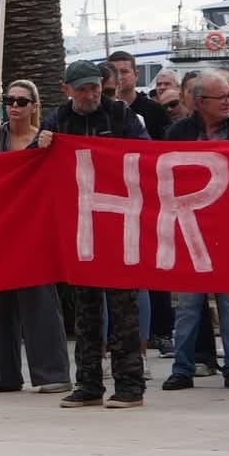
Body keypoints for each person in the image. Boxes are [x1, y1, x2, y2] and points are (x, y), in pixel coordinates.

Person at [41, 60, 149, 408]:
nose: (91, 94)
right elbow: (33, 168)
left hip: (118, 225)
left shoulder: (121, 115)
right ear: (67, 90)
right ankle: (88, 384)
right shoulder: (57, 120)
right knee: (85, 312)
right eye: (83, 89)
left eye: (95, 87)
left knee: (123, 310)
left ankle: (130, 385)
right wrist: (40, 144)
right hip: (80, 229)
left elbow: (146, 154)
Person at [158, 72, 229, 391]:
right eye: (223, 98)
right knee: (188, 304)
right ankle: (182, 368)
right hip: (191, 231)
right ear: (201, 102)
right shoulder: (178, 133)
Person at [0, 81, 70, 393]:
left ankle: (52, 373)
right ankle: (3, 374)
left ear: (34, 106)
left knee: (40, 302)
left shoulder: (46, 138)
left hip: (33, 227)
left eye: (21, 101)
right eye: (9, 100)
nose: (14, 105)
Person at [109, 52, 169, 139]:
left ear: (136, 75)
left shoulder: (156, 111)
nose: (119, 76)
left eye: (124, 71)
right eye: (114, 72)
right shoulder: (103, 112)